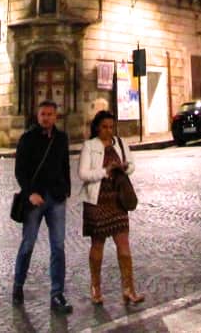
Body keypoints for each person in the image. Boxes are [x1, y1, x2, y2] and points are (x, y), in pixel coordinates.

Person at [78, 110, 144, 306]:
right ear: (97, 127)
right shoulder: (89, 146)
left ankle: (129, 289)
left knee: (124, 246)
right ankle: (95, 288)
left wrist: (125, 167)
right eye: (104, 127)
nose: (108, 131)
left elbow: (132, 166)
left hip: (117, 201)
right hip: (97, 201)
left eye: (111, 127)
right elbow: (83, 174)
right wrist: (104, 172)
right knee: (97, 245)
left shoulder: (121, 143)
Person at [13, 100, 72, 313]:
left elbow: (65, 165)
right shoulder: (27, 139)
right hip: (34, 200)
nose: (46, 117)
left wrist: (66, 190)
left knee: (58, 247)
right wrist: (30, 193)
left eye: (50, 114)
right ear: (37, 116)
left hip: (56, 199)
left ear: (56, 116)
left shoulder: (61, 138)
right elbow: (20, 171)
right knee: (28, 244)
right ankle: (18, 285)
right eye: (43, 114)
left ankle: (57, 294)